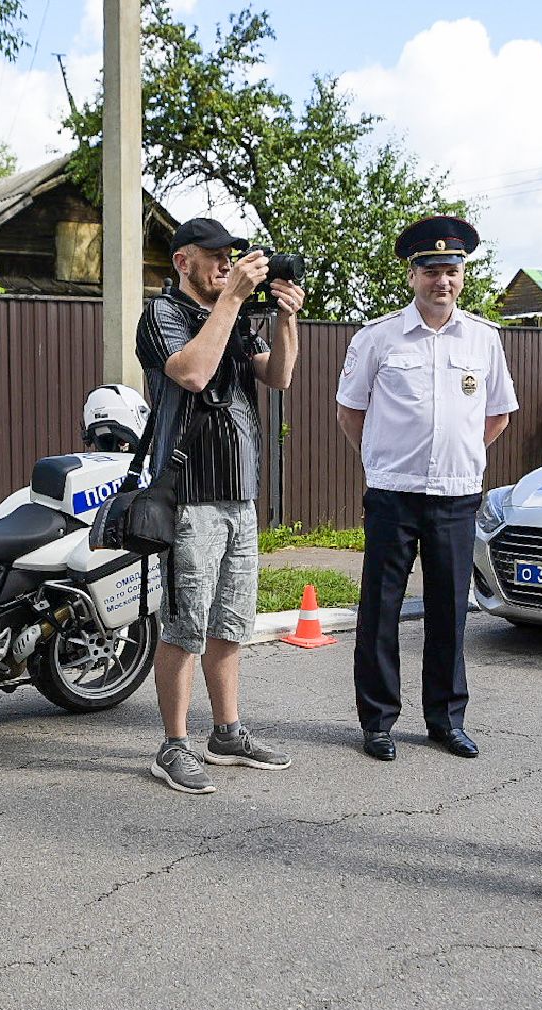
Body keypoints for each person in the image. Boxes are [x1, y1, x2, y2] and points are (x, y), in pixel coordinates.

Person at [336, 216, 518, 762]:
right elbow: (351, 410)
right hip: (394, 492)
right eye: (433, 270)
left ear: (463, 276)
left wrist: (463, 459)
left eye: (453, 271)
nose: (444, 281)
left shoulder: (484, 339)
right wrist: (380, 460)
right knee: (382, 609)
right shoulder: (379, 337)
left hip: (457, 496)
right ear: (413, 275)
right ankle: (378, 721)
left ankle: (445, 719)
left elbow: (498, 415)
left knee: (449, 611)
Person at [136, 217, 304, 794]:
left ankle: (226, 733)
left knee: (230, 622)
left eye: (231, 255)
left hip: (239, 494)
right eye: (215, 256)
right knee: (185, 627)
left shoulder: (234, 315)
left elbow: (279, 375)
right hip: (189, 496)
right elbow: (193, 372)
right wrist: (231, 301)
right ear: (184, 261)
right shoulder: (162, 316)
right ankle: (173, 745)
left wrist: (287, 318)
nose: (226, 265)